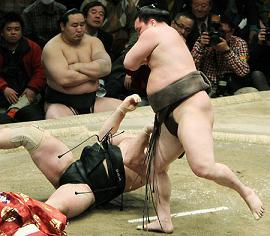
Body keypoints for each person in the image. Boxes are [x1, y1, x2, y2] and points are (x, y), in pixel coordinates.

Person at [124, 6, 264, 233]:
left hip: (189, 106)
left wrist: (143, 57)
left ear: (148, 21)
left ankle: (245, 191)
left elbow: (129, 63)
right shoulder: (170, 37)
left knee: (203, 167)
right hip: (169, 111)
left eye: (137, 28)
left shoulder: (156, 30)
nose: (138, 33)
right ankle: (163, 220)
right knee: (154, 166)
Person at [0, 94, 152, 235]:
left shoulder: (155, 165)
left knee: (45, 213)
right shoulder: (130, 137)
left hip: (83, 190)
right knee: (31, 134)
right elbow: (102, 137)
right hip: (70, 167)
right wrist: (121, 110)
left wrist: (146, 134)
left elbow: (132, 158)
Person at [41, 8, 122, 119]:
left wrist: (77, 66)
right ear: (63, 26)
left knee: (127, 111)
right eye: (74, 25)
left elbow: (106, 67)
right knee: (57, 121)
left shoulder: (94, 42)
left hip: (93, 100)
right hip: (61, 103)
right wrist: (94, 74)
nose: (79, 29)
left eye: (82, 25)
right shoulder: (52, 47)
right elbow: (64, 79)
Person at [0, 12, 46, 124]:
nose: (13, 32)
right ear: (1, 32)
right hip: (2, 93)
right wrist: (4, 87)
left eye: (17, 29)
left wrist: (32, 88)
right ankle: (12, 111)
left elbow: (40, 71)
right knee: (3, 122)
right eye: (9, 29)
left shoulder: (32, 47)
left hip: (26, 94)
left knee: (35, 119)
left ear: (21, 31)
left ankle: (14, 110)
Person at [191, 15, 252, 97]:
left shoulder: (239, 43)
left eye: (223, 32)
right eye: (217, 31)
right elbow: (191, 68)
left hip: (231, 87)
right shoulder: (205, 40)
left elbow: (244, 71)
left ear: (232, 31)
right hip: (208, 87)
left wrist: (227, 51)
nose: (219, 35)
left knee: (251, 91)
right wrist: (200, 47)